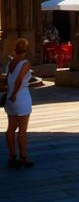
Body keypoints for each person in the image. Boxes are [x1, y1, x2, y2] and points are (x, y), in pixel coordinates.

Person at [5, 38, 33, 168]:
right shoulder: (25, 63)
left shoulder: (9, 63)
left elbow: (8, 79)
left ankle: (12, 156)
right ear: (26, 50)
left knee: (10, 128)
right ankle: (23, 157)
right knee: (22, 130)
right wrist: (15, 94)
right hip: (21, 98)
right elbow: (20, 79)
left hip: (10, 100)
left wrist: (11, 94)